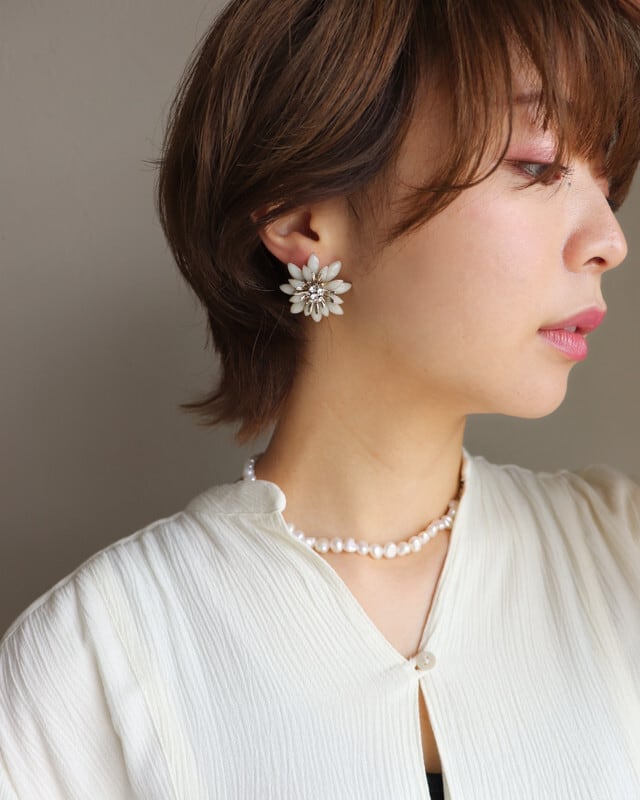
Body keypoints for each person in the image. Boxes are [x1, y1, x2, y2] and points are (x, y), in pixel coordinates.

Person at [1, 0, 640, 798]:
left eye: (608, 179)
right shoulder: (94, 660)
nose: (609, 240)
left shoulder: (621, 558)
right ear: (303, 218)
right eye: (538, 164)